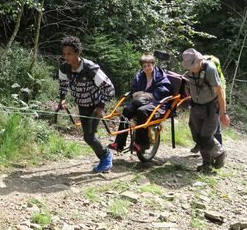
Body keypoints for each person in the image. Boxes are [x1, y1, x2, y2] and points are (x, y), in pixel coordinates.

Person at [58, 36, 115, 173]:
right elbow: (63, 84)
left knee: (88, 137)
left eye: (69, 54)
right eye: (64, 54)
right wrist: (62, 99)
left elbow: (109, 89)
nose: (66, 57)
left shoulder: (90, 68)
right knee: (88, 137)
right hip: (82, 105)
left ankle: (106, 156)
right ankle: (104, 156)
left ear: (77, 53)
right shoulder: (64, 68)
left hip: (95, 106)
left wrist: (101, 107)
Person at [108, 54, 171, 153]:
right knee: (126, 110)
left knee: (141, 111)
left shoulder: (160, 76)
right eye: (144, 66)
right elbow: (134, 91)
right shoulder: (140, 76)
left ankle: (142, 144)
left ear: (153, 64)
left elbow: (163, 90)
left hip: (158, 104)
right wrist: (143, 94)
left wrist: (145, 94)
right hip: (141, 101)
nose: (147, 68)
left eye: (149, 65)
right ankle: (119, 144)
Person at [182, 48, 230, 173]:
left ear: (199, 61)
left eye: (194, 66)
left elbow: (220, 93)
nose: (192, 69)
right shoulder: (189, 72)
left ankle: (220, 153)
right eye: (189, 67)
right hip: (195, 107)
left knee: (206, 136)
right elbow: (186, 86)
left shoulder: (210, 70)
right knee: (197, 136)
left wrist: (223, 113)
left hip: (211, 108)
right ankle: (206, 164)